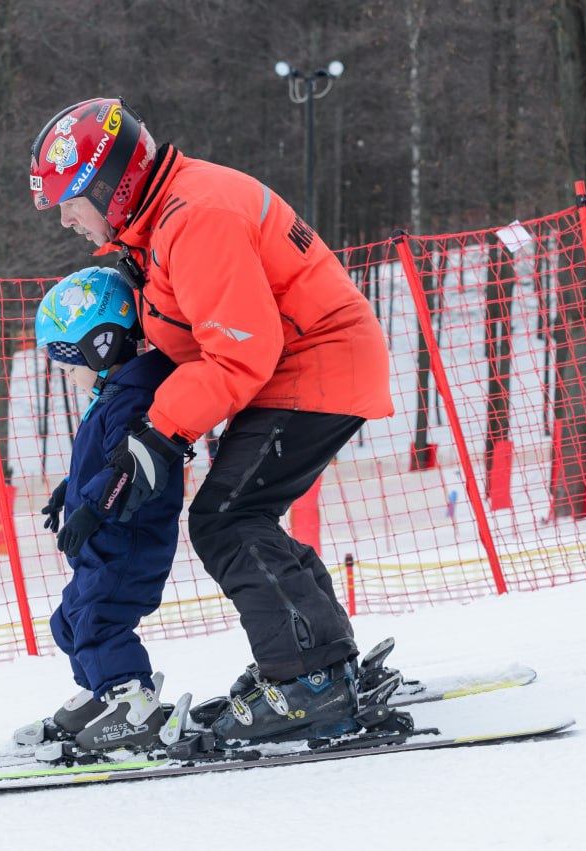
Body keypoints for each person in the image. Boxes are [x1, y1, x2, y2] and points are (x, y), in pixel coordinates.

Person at [29, 98, 397, 746]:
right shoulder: (164, 221)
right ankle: (322, 661)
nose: (66, 219)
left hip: (315, 365)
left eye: (71, 201)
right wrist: (116, 456)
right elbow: (193, 349)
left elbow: (237, 351)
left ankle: (310, 678)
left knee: (228, 519)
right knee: (238, 514)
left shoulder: (194, 217)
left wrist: (154, 438)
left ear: (110, 185)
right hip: (297, 366)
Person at [24, 266, 183, 752]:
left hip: (128, 541)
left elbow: (130, 467)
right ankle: (105, 694)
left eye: (69, 359)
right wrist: (69, 491)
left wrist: (92, 507)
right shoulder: (114, 393)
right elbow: (105, 460)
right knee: (70, 620)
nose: (65, 371)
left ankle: (133, 706)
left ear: (102, 345)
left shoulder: (135, 396)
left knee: (98, 619)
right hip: (105, 541)